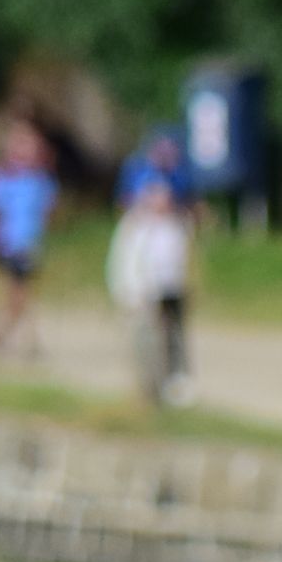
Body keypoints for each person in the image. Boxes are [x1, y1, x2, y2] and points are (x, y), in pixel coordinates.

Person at [0, 119, 58, 362]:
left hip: (30, 245)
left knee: (19, 296)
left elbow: (47, 211)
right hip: (7, 244)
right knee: (20, 294)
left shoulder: (40, 180)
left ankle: (2, 338)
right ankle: (16, 340)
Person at [106, 173, 194, 406]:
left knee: (174, 338)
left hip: (172, 290)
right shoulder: (135, 226)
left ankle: (176, 382)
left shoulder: (176, 224)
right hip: (145, 293)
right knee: (147, 341)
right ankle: (149, 388)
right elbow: (124, 263)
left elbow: (182, 258)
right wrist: (128, 292)